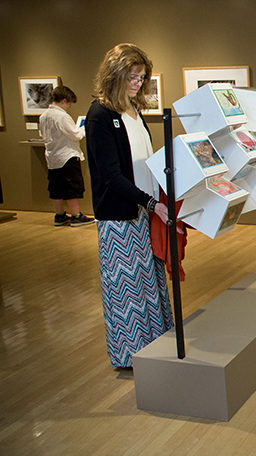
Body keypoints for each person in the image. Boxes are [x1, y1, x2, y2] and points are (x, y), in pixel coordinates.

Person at [85, 43, 174, 368]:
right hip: (121, 217)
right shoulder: (100, 116)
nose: (137, 83)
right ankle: (131, 355)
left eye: (141, 78)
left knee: (150, 283)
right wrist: (149, 202)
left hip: (144, 211)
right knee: (128, 289)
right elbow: (110, 175)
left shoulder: (134, 112)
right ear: (115, 75)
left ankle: (156, 345)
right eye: (132, 77)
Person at [38, 85, 95, 226]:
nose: (69, 106)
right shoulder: (62, 116)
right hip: (67, 156)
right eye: (69, 103)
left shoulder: (43, 116)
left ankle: (59, 215)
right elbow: (75, 135)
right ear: (64, 101)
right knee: (72, 187)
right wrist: (83, 129)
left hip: (52, 157)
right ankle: (76, 215)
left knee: (55, 187)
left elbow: (42, 135)